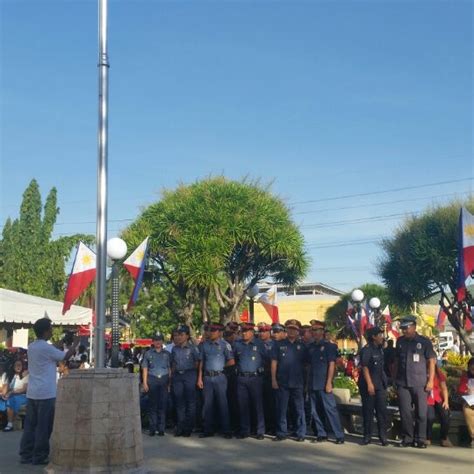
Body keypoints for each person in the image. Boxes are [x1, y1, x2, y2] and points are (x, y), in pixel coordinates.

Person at [19, 317, 79, 465]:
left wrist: (58, 345)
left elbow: (50, 352)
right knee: (44, 426)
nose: (52, 331)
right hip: (46, 393)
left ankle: (26, 454)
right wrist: (75, 344)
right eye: (50, 328)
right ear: (46, 331)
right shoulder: (46, 348)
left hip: (33, 392)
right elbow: (65, 356)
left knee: (30, 425)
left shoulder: (32, 346)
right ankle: (39, 456)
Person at [393, 315, 436, 448]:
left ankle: (421, 439)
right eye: (403, 329)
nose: (404, 331)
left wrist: (430, 381)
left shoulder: (424, 342)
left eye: (406, 328)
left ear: (414, 327)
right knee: (405, 413)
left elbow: (431, 362)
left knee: (421, 413)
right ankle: (407, 438)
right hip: (403, 383)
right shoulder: (400, 341)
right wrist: (394, 379)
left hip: (420, 382)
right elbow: (396, 362)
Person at [308, 320, 344, 444]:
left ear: (322, 331)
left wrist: (329, 382)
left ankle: (339, 435)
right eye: (313, 330)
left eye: (317, 330)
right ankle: (321, 433)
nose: (314, 332)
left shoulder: (329, 346)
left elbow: (332, 364)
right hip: (312, 383)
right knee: (314, 410)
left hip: (324, 383)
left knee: (330, 409)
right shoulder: (311, 347)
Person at [271, 319, 307, 442]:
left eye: (294, 329)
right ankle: (281, 432)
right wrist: (273, 379)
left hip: (298, 382)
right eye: (290, 328)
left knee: (299, 408)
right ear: (286, 330)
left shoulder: (303, 346)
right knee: (282, 408)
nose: (292, 331)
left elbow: (307, 365)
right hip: (283, 381)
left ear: (298, 331)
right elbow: (274, 362)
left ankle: (300, 433)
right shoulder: (279, 345)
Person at [197, 323, 235, 438]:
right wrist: (199, 378)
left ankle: (226, 430)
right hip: (207, 377)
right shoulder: (204, 345)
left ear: (219, 332)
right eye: (210, 330)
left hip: (220, 377)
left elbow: (232, 361)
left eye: (213, 331)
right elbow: (201, 362)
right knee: (207, 405)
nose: (211, 333)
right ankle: (208, 430)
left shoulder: (225, 345)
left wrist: (221, 366)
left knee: (222, 404)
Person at [233, 323, 266, 439]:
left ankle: (260, 431)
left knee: (258, 405)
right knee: (243, 405)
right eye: (242, 331)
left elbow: (266, 359)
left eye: (246, 331)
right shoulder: (237, 345)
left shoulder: (259, 344)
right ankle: (245, 430)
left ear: (252, 332)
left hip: (255, 378)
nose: (244, 333)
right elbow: (235, 360)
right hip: (241, 378)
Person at [358, 327, 388, 446]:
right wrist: (370, 384)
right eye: (380, 335)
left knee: (382, 411)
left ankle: (383, 436)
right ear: (374, 337)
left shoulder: (380, 349)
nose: (382, 337)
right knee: (368, 411)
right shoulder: (367, 350)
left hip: (380, 384)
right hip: (368, 385)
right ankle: (367, 436)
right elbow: (364, 367)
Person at [170, 325, 200, 437]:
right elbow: (173, 364)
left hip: (190, 374)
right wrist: (171, 377)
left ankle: (188, 427)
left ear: (187, 336)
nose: (178, 337)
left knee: (190, 403)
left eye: (181, 335)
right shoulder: (174, 349)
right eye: (177, 335)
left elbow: (197, 363)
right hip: (177, 376)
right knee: (179, 402)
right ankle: (180, 427)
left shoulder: (193, 348)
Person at [142, 333, 171, 437]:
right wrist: (145, 383)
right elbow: (145, 368)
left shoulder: (167, 354)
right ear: (152, 342)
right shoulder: (148, 353)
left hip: (164, 379)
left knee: (162, 405)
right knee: (152, 405)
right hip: (152, 379)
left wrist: (169, 383)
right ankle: (152, 428)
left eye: (160, 340)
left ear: (162, 341)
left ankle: (161, 428)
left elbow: (169, 369)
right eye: (156, 340)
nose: (158, 342)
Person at [426, 365, 452, 447]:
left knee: (445, 414)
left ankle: (443, 438)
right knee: (430, 417)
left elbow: (444, 388)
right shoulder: (422, 372)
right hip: (427, 398)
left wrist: (446, 401)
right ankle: (427, 437)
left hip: (438, 398)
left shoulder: (439, 373)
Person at [2, 359, 29, 432]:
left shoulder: (25, 375)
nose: (18, 367)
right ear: (13, 366)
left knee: (11, 400)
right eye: (16, 365)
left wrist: (11, 392)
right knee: (4, 400)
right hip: (11, 395)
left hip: (22, 395)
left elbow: (24, 389)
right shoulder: (10, 375)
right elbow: (6, 389)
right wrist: (4, 394)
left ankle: (9, 424)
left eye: (20, 365)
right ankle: (6, 422)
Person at [457, 357, 474, 448]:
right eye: (472, 366)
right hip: (469, 402)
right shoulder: (465, 376)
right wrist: (466, 391)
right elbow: (460, 390)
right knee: (467, 410)